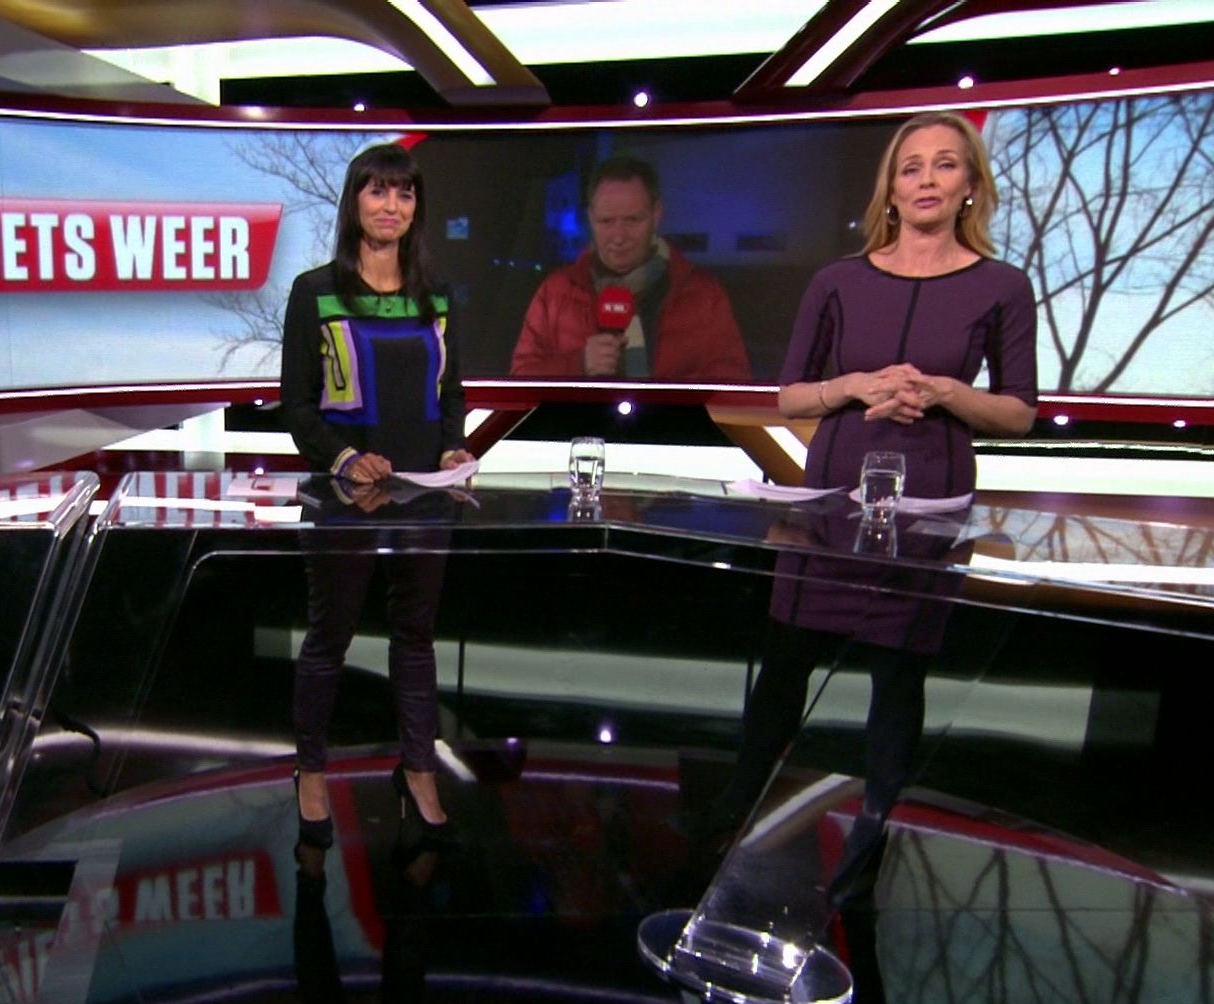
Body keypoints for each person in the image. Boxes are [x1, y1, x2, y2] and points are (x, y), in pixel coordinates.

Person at [715, 112, 1038, 905]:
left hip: (931, 493)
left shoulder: (1002, 286)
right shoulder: (838, 280)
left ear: (970, 185)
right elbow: (791, 397)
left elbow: (1019, 411)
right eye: (910, 166)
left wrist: (946, 392)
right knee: (786, 657)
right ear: (889, 188)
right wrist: (855, 387)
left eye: (945, 165)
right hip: (834, 492)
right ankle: (733, 818)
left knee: (898, 674)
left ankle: (872, 840)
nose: (927, 179)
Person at [280, 142, 473, 851]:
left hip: (424, 497)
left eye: (404, 193)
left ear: (417, 208)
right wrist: (345, 458)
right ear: (355, 202)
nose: (391, 206)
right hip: (345, 498)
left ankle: (418, 768)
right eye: (378, 191)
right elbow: (297, 405)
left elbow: (451, 393)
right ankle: (310, 769)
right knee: (329, 635)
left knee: (415, 636)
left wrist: (452, 449)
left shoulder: (436, 295)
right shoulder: (315, 291)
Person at [510, 154, 750, 381]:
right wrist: (579, 363)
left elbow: (732, 383)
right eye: (606, 221)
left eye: (632, 220)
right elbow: (520, 378)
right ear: (591, 218)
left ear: (656, 215)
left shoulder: (702, 294)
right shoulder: (556, 292)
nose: (619, 237)